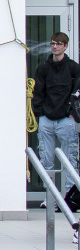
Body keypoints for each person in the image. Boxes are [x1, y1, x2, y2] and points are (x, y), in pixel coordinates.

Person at [32, 31, 80, 188]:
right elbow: (37, 92)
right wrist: (40, 114)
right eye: (53, 43)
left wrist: (72, 113)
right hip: (46, 119)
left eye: (58, 44)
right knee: (46, 161)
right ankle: (50, 196)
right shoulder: (43, 69)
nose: (55, 46)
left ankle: (70, 197)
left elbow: (77, 92)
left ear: (65, 46)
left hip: (66, 120)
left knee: (70, 161)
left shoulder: (73, 68)